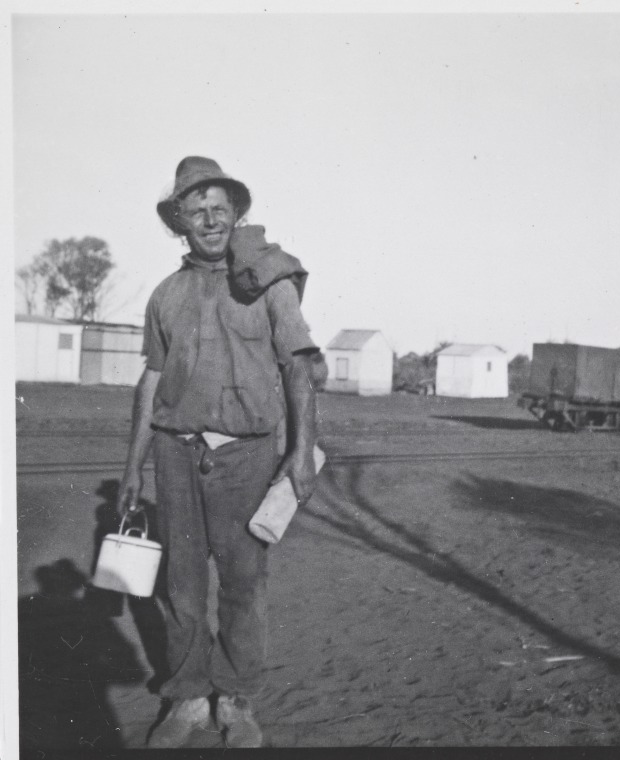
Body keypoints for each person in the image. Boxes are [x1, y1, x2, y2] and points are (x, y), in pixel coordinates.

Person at [117, 156, 322, 748]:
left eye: (218, 208)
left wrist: (301, 452)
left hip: (247, 457)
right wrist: (131, 466)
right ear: (177, 220)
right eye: (195, 209)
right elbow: (151, 381)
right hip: (175, 455)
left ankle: (234, 699)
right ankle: (185, 699)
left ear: (236, 214)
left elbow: (299, 368)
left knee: (242, 583)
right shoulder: (166, 295)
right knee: (181, 586)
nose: (209, 219)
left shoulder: (269, 283)